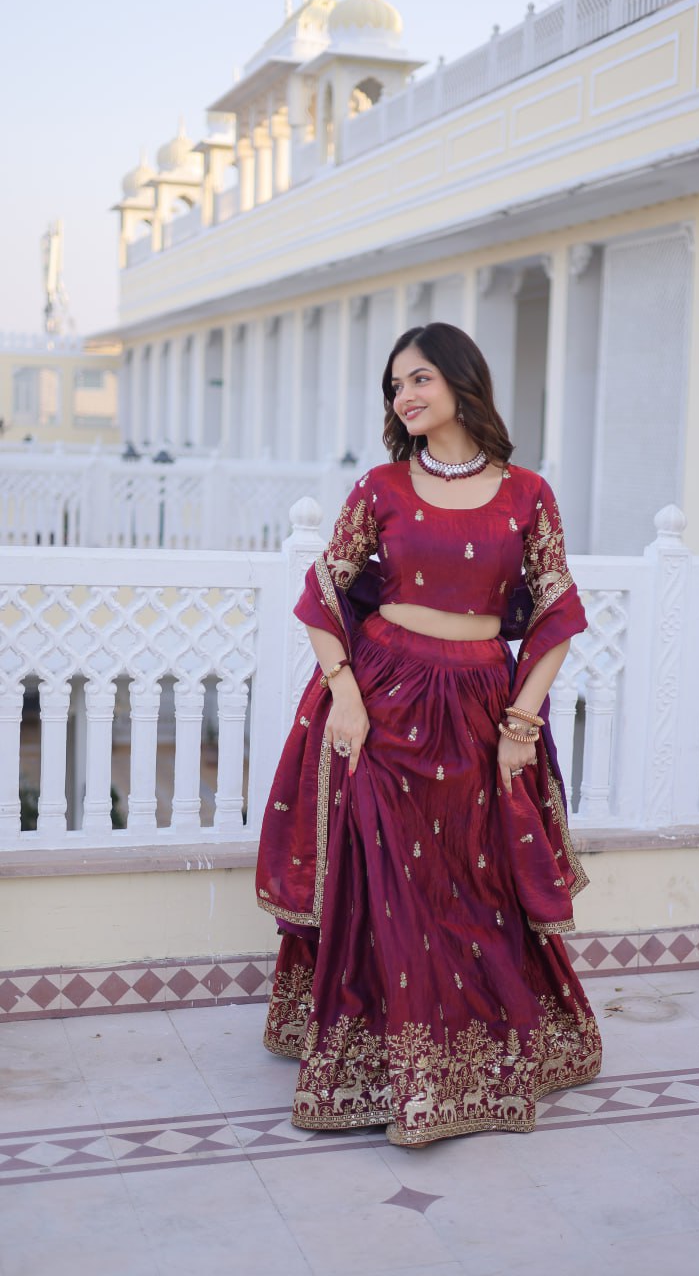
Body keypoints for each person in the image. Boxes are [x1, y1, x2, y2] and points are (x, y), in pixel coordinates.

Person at [256, 322, 602, 1146]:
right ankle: (389, 1072)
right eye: (393, 387)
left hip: (481, 706)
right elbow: (324, 596)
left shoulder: (528, 494)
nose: (403, 397)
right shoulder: (379, 486)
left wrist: (521, 723)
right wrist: (343, 694)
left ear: (459, 382)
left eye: (416, 380)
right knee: (389, 884)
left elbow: (555, 615)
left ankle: (474, 1061)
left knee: (471, 885)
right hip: (383, 701)